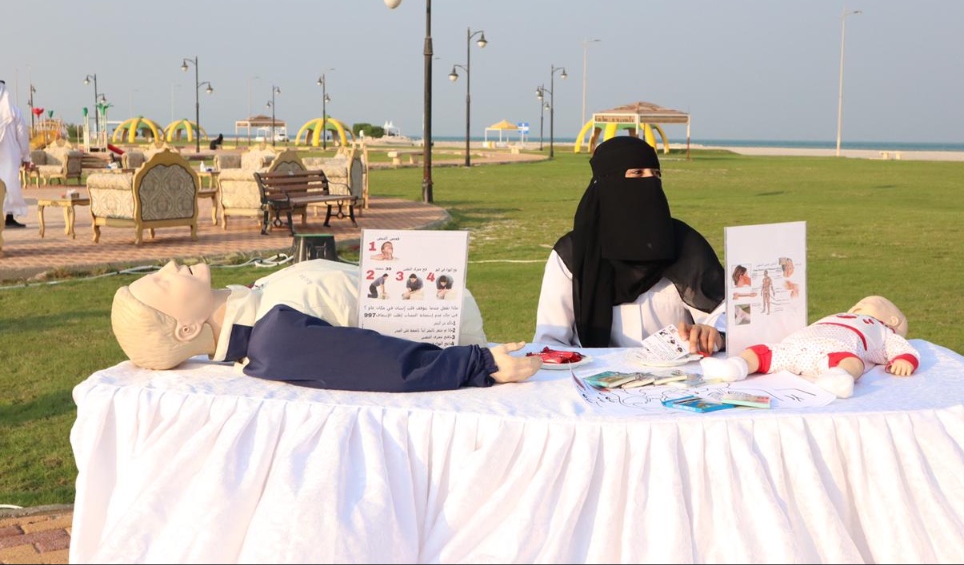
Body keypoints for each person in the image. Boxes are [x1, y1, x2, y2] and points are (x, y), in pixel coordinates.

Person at [110, 259, 542, 392]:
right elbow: (384, 365)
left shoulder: (259, 304)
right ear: (187, 330)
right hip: (450, 332)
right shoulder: (274, 336)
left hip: (439, 302)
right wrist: (481, 363)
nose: (171, 265)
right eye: (162, 282)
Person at [533, 135, 726, 354]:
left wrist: (715, 335)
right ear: (608, 181)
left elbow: (726, 314)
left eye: (656, 174)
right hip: (595, 371)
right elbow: (550, 341)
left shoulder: (684, 244)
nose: (650, 182)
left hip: (678, 372)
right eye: (637, 173)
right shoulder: (573, 254)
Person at [700, 295, 920, 398]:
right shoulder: (838, 315)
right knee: (764, 352)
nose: (857, 306)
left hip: (834, 352)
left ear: (892, 320)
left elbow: (899, 346)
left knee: (852, 362)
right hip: (797, 345)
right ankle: (736, 366)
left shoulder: (882, 329)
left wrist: (904, 359)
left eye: (867, 304)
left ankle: (839, 377)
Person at [0, 80, 30, 231]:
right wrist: (26, 157)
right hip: (10, 156)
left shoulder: (14, 113)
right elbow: (22, 136)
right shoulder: (15, 113)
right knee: (10, 186)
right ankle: (9, 218)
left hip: (10, 156)